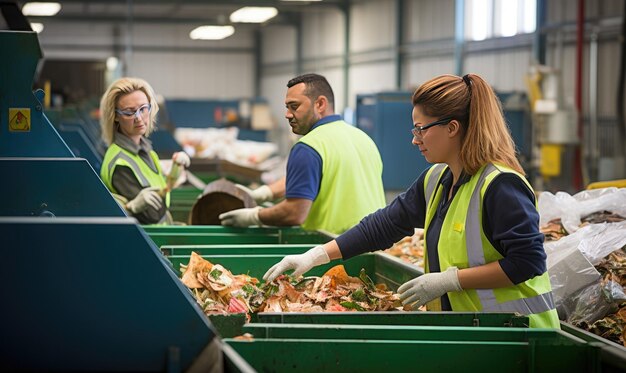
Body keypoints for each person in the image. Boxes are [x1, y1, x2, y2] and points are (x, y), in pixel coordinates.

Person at [263, 73, 560, 328]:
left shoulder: (500, 185)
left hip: (520, 334)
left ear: (452, 128)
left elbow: (527, 262)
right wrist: (315, 256)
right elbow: (383, 226)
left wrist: (450, 280)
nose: (415, 139)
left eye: (421, 129)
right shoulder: (436, 180)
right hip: (475, 330)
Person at [219, 73, 386, 235]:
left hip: (335, 252)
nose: (287, 114)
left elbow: (294, 212)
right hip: (375, 249)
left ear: (320, 104)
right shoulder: (363, 139)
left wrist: (253, 216)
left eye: (294, 106)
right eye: (287, 107)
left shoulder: (309, 146)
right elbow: (313, 177)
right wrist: (265, 193)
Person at [99, 77, 190, 225]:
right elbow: (152, 214)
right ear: (115, 116)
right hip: (148, 242)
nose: (139, 118)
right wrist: (132, 207)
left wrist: (176, 167)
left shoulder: (146, 151)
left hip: (161, 235)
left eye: (143, 109)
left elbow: (162, 189)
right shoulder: (120, 163)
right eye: (129, 112)